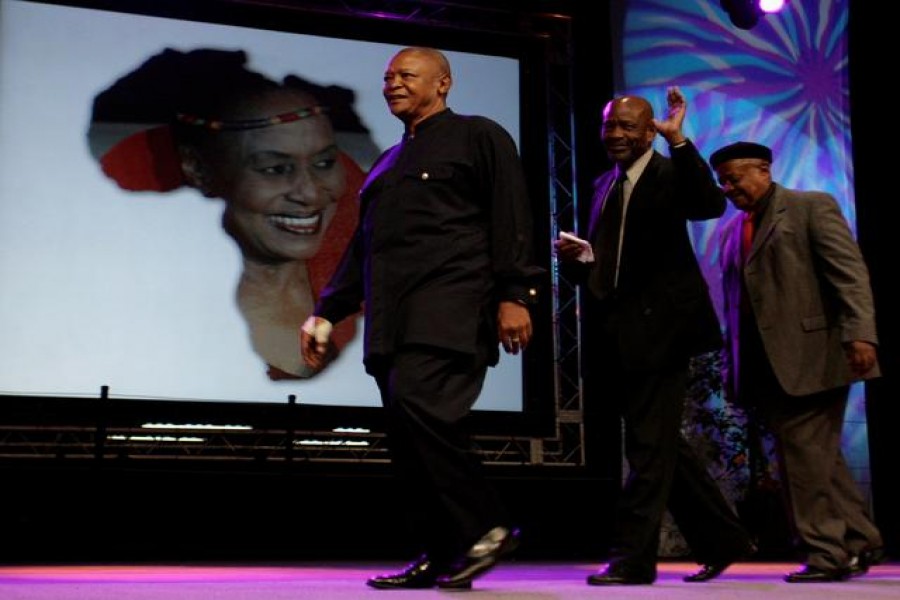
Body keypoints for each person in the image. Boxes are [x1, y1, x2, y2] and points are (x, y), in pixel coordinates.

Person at [301, 46, 543, 589]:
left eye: (406, 75)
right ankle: (441, 553)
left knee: (422, 409)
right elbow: (364, 248)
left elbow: (512, 214)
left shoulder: (480, 135)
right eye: (387, 77)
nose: (392, 84)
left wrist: (515, 294)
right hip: (393, 321)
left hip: (451, 309)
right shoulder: (388, 162)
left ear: (444, 84)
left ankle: (489, 526)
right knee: (407, 439)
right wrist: (325, 313)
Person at [554, 87, 755, 585]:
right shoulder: (605, 183)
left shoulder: (669, 172)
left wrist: (680, 141)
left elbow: (708, 205)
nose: (616, 135)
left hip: (664, 333)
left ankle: (633, 559)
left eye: (627, 127)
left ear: (649, 132)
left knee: (647, 449)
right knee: (661, 444)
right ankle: (725, 538)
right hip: (618, 335)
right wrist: (579, 261)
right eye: (609, 126)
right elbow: (612, 266)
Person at [89, 49, 376, 380]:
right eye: (275, 168)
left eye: (325, 163)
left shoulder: (366, 293)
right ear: (198, 169)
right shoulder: (155, 312)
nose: (309, 193)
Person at [710, 141, 884, 582]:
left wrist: (860, 334)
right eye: (723, 181)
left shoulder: (810, 207)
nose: (728, 188)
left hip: (815, 356)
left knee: (804, 460)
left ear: (764, 170)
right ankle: (860, 539)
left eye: (735, 178)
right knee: (817, 458)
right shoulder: (734, 230)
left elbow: (849, 273)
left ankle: (827, 553)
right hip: (766, 365)